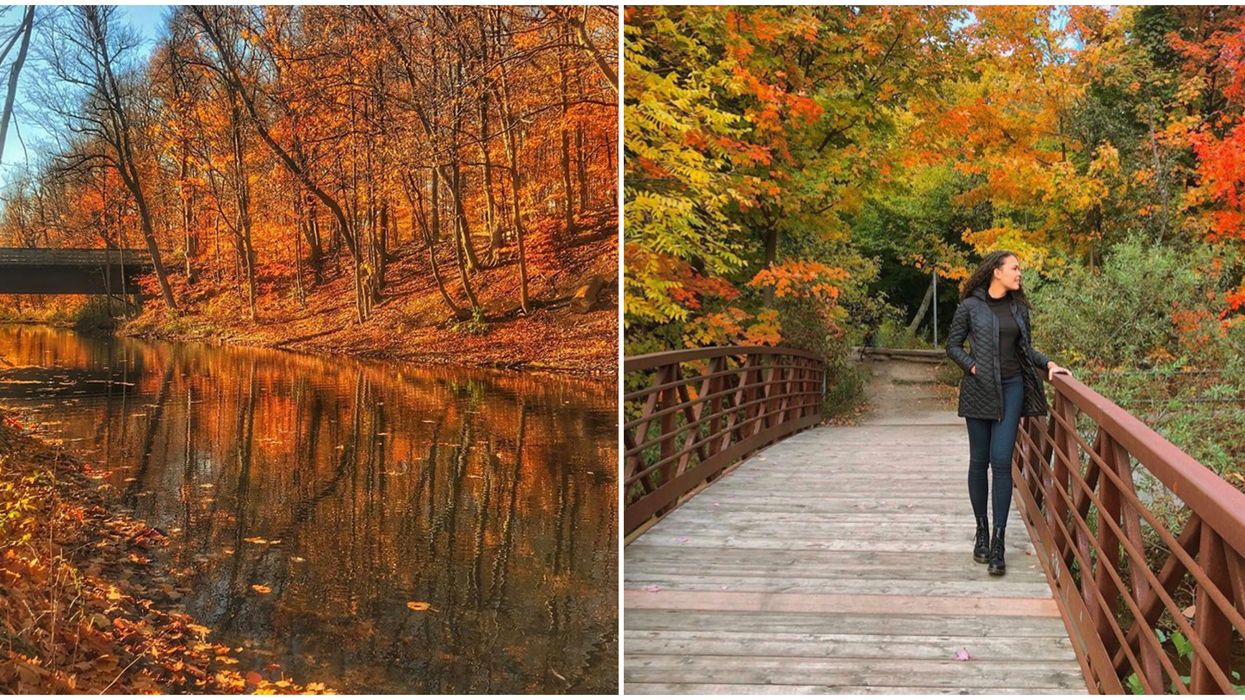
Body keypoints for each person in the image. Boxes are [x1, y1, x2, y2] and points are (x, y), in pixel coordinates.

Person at [945, 250, 1070, 576]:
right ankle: (982, 532)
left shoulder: (1018, 308)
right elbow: (952, 346)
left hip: (1012, 387)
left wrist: (1049, 363)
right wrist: (972, 366)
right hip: (978, 391)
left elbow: (1025, 349)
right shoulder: (970, 306)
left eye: (1019, 269)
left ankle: (998, 542)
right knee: (979, 461)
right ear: (996, 271)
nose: (1019, 274)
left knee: (1001, 461)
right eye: (1014, 268)